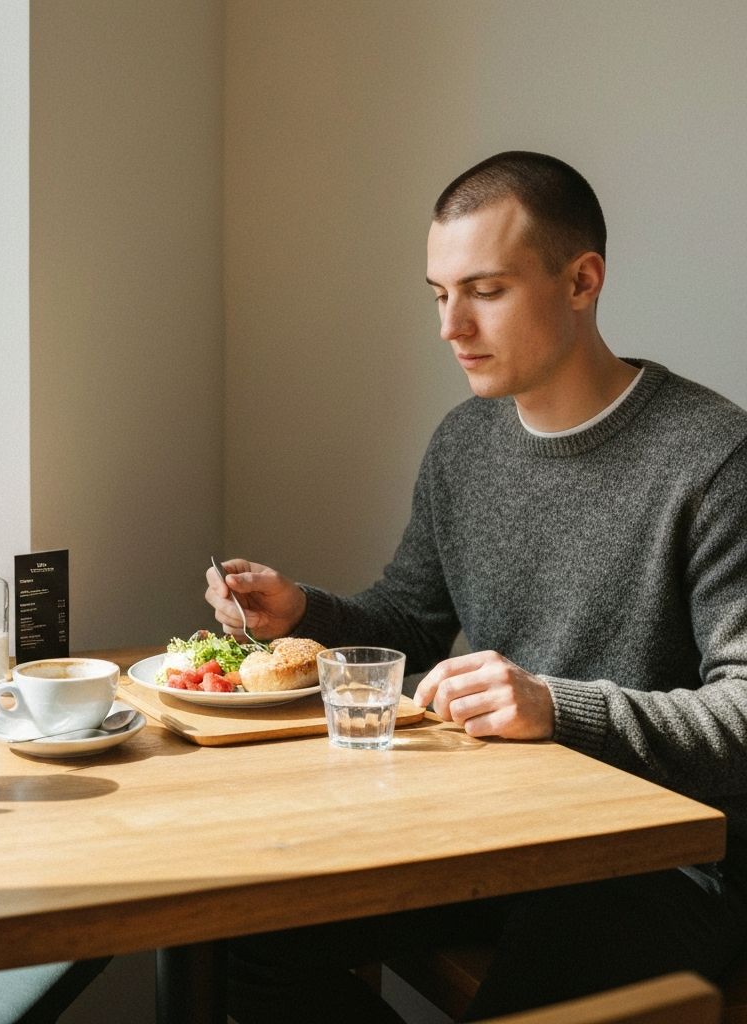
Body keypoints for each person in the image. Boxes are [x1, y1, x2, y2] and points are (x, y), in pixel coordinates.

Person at [205, 151, 747, 1022]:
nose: (452, 326)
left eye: (485, 291)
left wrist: (555, 707)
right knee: (237, 938)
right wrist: (303, 612)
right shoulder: (465, 444)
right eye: (438, 293)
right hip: (499, 824)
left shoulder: (715, 458)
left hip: (664, 859)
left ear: (582, 280)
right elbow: (407, 624)